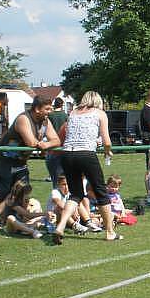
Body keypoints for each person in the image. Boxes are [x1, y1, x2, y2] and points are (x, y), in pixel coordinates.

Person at [52, 91, 122, 244]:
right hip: (86, 154)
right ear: (98, 101)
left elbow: (67, 135)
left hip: (67, 154)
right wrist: (107, 150)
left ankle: (61, 226)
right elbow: (107, 140)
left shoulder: (73, 113)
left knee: (75, 194)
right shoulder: (100, 113)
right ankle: (110, 232)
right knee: (101, 193)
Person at [0, 95, 60, 229]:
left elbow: (56, 140)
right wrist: (44, 144)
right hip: (5, 158)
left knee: (21, 188)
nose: (50, 111)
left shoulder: (45, 122)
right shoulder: (23, 118)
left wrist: (46, 145)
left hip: (21, 160)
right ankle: (0, 218)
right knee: (5, 190)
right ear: (37, 109)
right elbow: (31, 142)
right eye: (47, 108)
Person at [45, 97, 68, 187]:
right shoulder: (65, 115)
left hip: (52, 141)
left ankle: (52, 176)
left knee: (51, 160)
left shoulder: (50, 115)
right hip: (62, 142)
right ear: (62, 104)